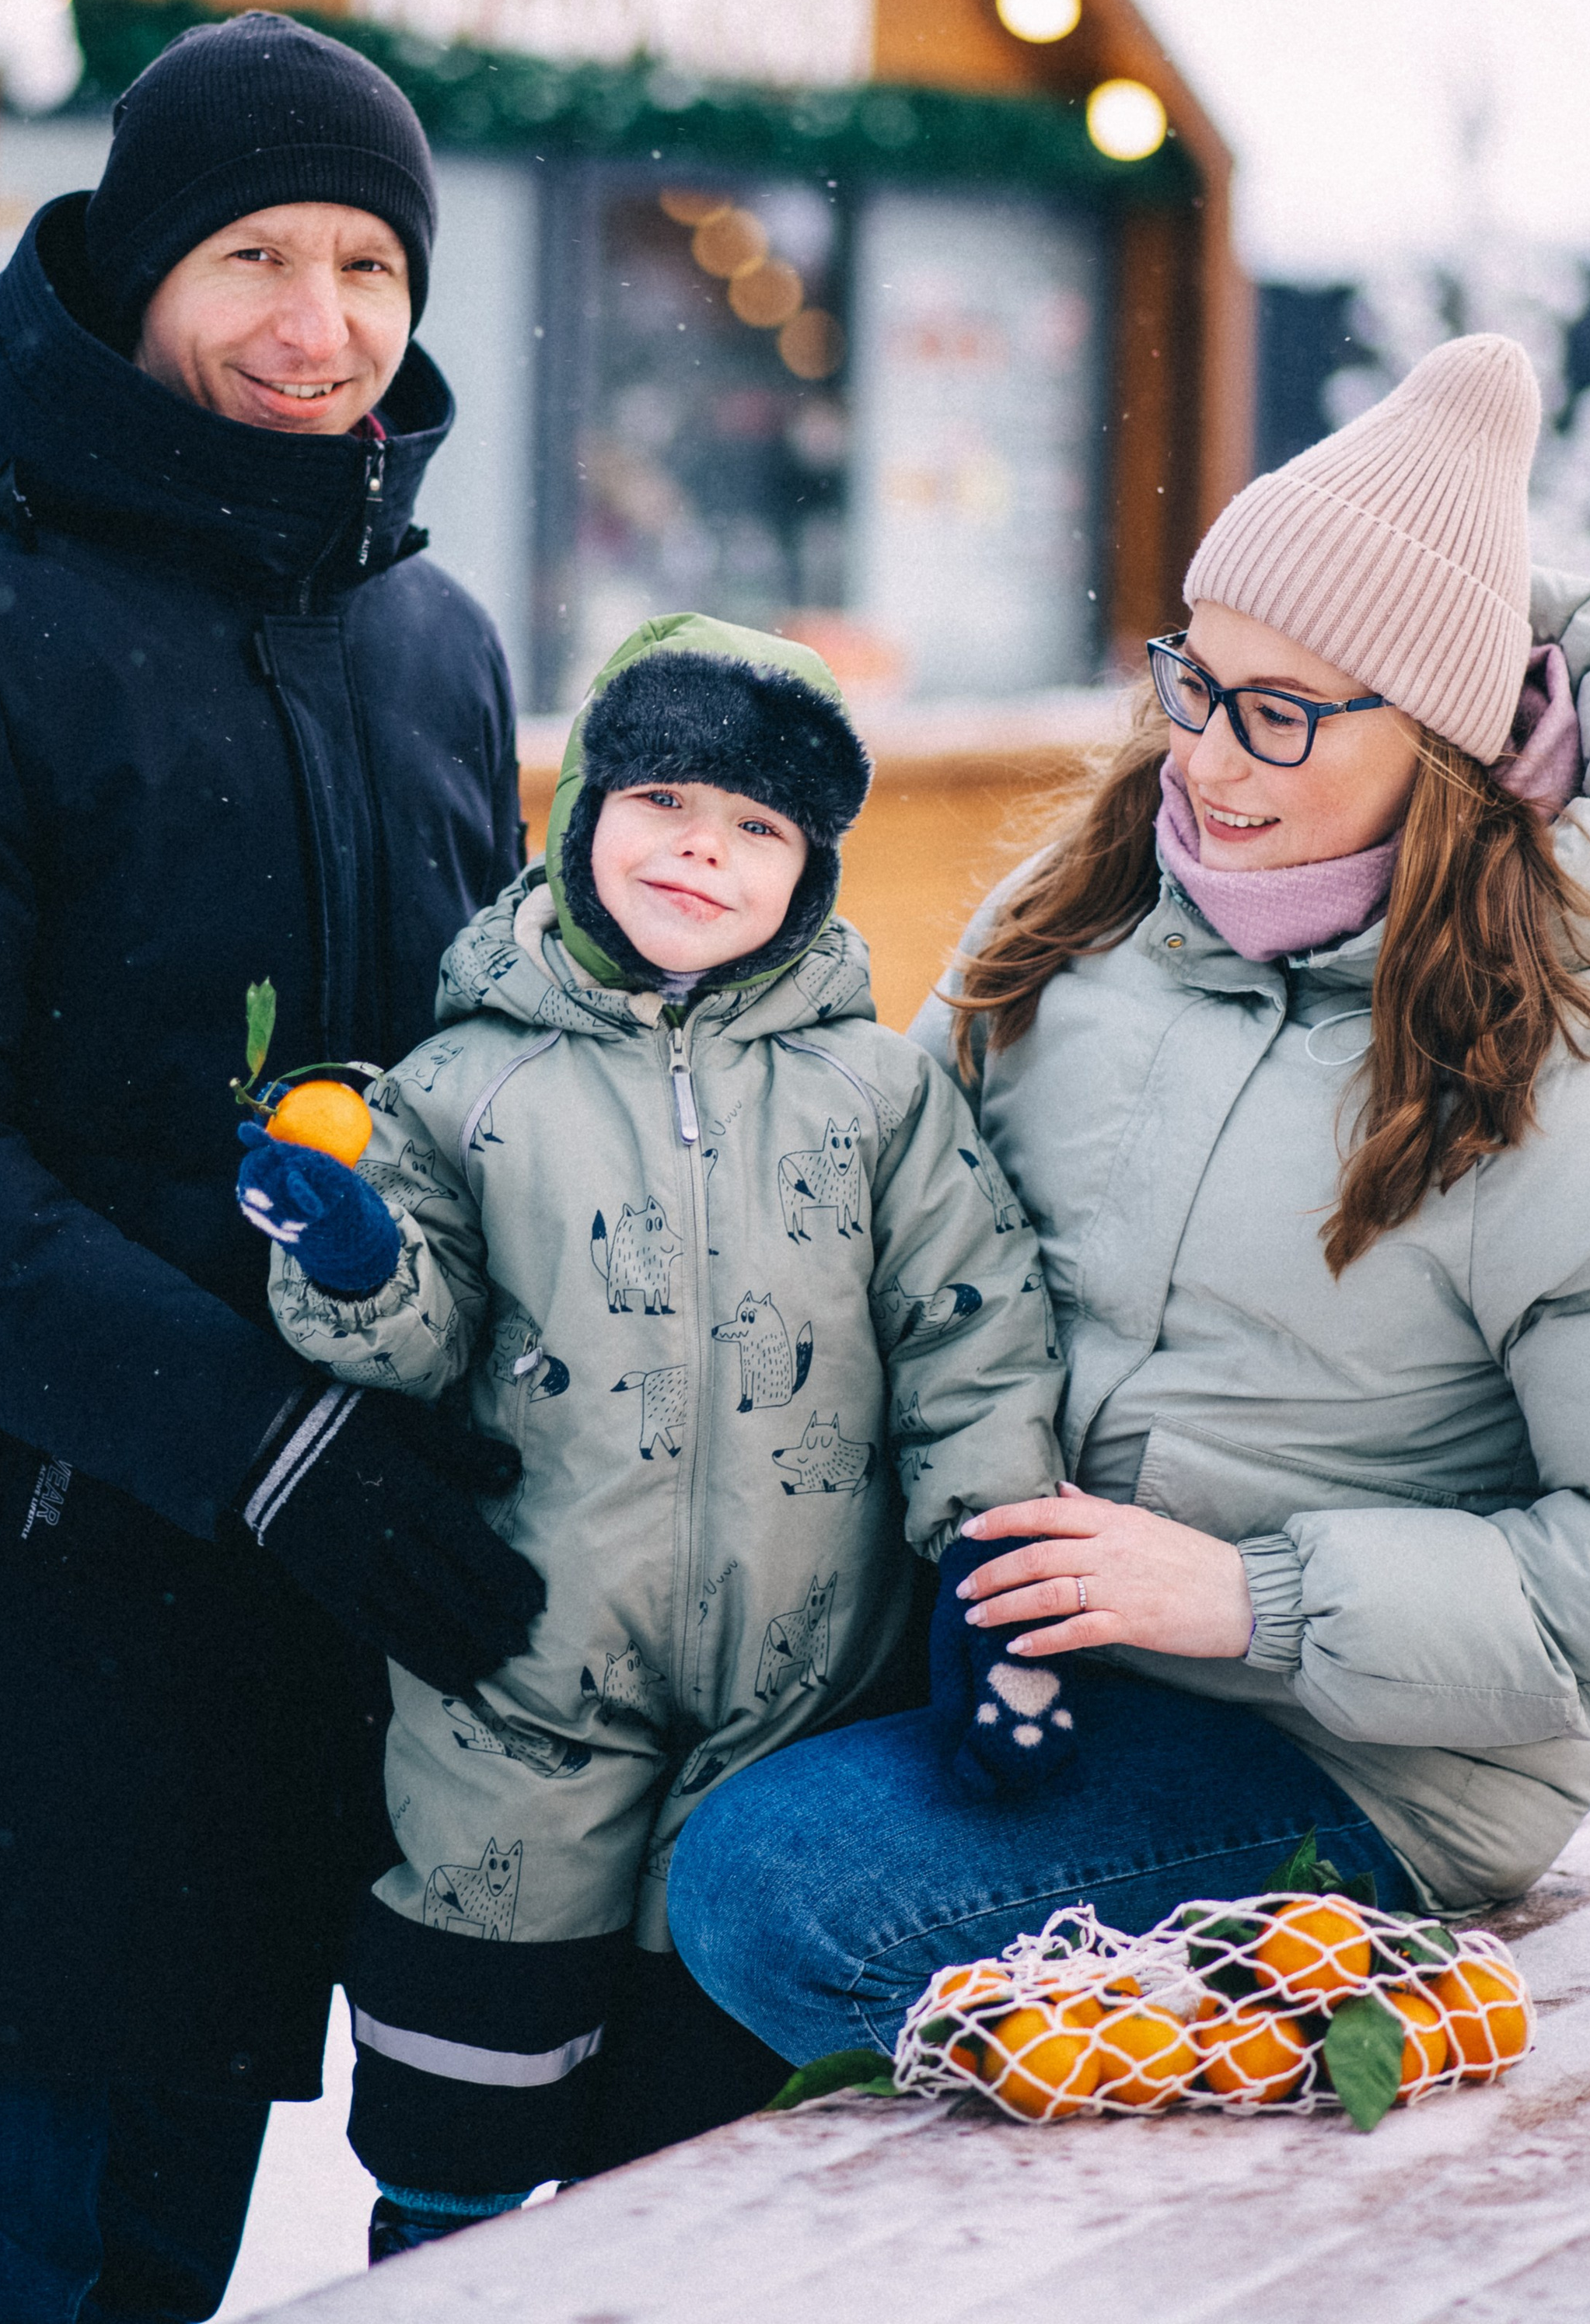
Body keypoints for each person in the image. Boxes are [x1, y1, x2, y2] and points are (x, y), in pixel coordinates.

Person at [0, 12, 544, 2324]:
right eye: (257, 256)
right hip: (12, 1623)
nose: (321, 324)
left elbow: (478, 1085)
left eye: (373, 263)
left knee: (167, 2260)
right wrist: (259, 1440)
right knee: (4, 2260)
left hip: (291, 1639)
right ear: (133, 277)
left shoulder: (432, 644)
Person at [667, 333, 1590, 2066]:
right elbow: (892, 1215)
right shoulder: (1085, 912)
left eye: (1281, 714)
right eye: (1193, 680)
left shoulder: (1579, 1067)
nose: (1206, 763)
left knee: (772, 1886)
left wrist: (1249, 1598)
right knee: (622, 1751)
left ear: (1442, 750)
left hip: (1357, 1752)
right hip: (1019, 1638)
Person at [233, 613, 1065, 2250]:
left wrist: (989, 1575)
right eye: (666, 800)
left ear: (813, 870)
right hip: (517, 1698)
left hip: (797, 1702)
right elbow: (417, 1335)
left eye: (759, 827)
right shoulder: (460, 1085)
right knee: (467, 2105)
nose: (705, 849)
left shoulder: (876, 1098)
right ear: (579, 817)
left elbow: (972, 1334)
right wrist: (349, 1251)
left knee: (708, 2154)